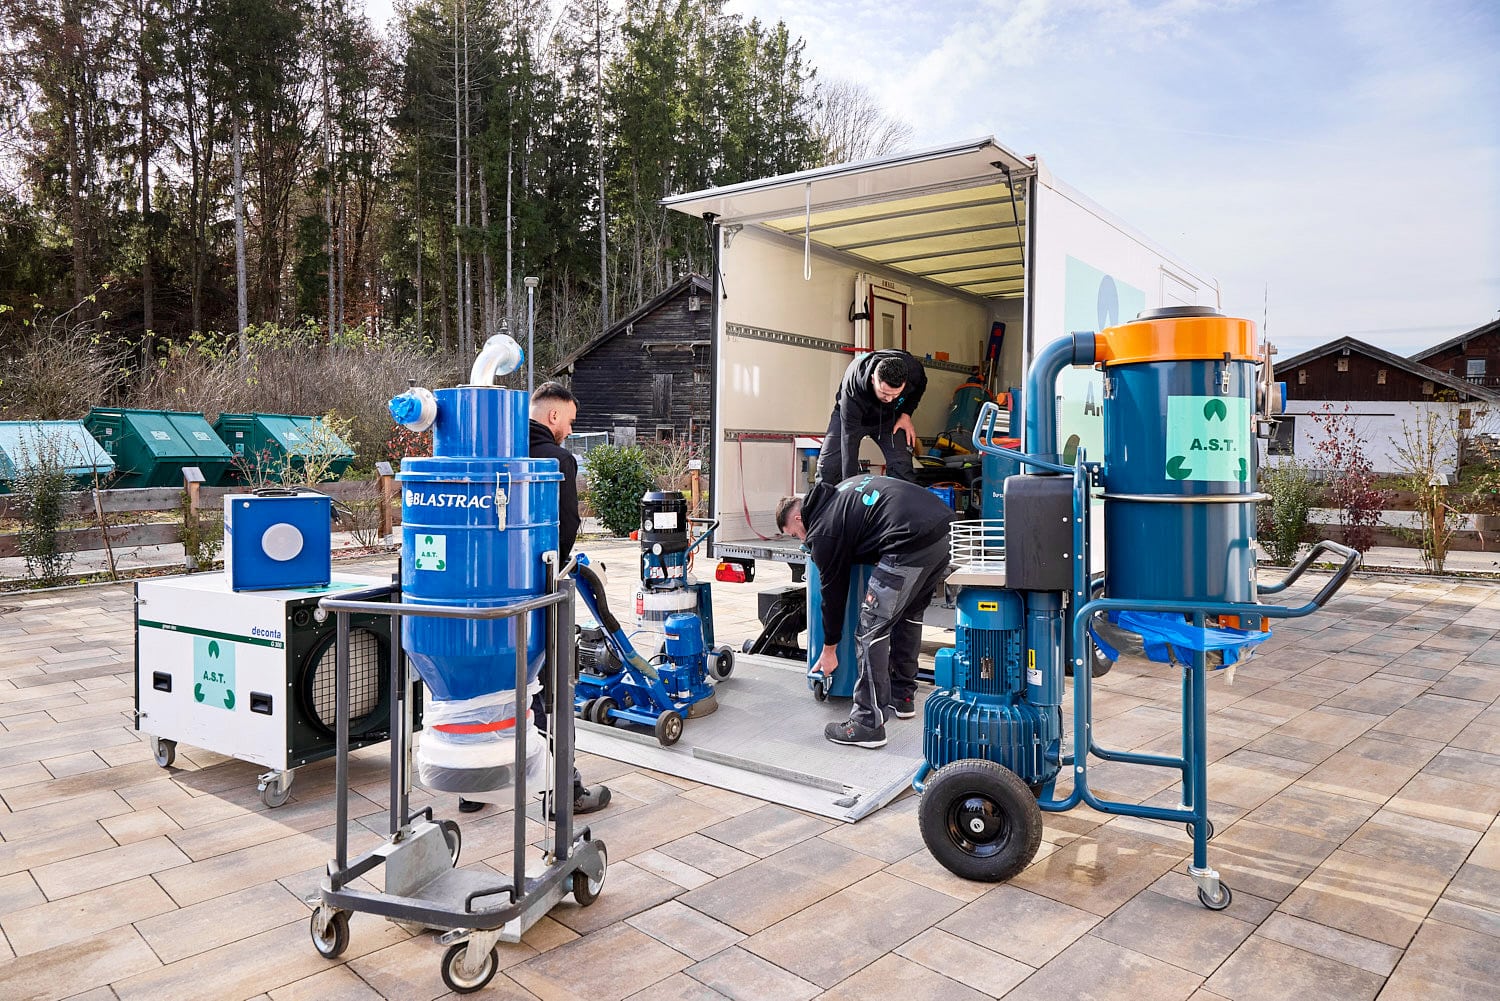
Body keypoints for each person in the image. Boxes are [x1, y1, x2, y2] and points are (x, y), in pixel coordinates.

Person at [459, 382, 611, 816]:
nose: (569, 429)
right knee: (547, 688)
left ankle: (475, 785)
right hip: (537, 591)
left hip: (479, 591)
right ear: (553, 417)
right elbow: (568, 525)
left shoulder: (490, 451)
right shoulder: (558, 459)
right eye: (569, 420)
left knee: (486, 686)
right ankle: (563, 792)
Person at [776, 474, 955, 748]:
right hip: (941, 533)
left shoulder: (823, 530)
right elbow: (865, 536)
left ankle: (867, 722)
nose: (801, 539)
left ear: (798, 518)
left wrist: (829, 650)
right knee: (908, 616)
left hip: (907, 542)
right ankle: (902, 697)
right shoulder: (840, 493)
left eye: (794, 533)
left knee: (871, 631)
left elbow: (833, 595)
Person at [817, 349, 928, 485]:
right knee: (829, 468)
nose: (889, 398)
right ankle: (825, 504)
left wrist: (906, 414)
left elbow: (921, 384)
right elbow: (849, 442)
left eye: (895, 395)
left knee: (902, 467)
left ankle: (900, 504)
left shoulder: (913, 370)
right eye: (884, 393)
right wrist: (849, 486)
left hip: (889, 418)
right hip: (853, 418)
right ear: (873, 379)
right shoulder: (852, 390)